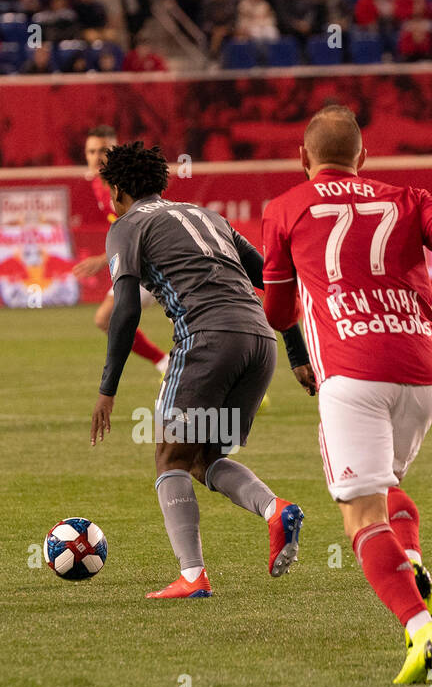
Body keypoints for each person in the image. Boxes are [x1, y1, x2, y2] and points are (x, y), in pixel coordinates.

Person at [260, 107, 432, 684]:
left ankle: (420, 630)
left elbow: (277, 311)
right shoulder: (409, 198)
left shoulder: (284, 208)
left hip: (351, 371)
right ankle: (411, 563)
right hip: (423, 372)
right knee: (386, 488)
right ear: (363, 159)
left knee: (359, 513)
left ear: (302, 157)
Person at [89, 142, 311, 600]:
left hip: (208, 341)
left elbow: (125, 310)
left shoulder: (125, 226)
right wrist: (297, 353)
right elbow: (274, 278)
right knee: (199, 457)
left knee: (169, 457)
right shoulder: (208, 215)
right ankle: (276, 510)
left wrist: (107, 388)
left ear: (116, 190)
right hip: (259, 343)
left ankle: (193, 576)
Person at [77, 126, 169, 376]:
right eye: (91, 151)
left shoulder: (128, 187)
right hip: (138, 265)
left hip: (160, 263)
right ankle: (166, 364)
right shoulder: (99, 184)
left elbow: (141, 232)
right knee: (105, 319)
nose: (96, 157)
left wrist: (101, 259)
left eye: (103, 150)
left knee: (194, 327)